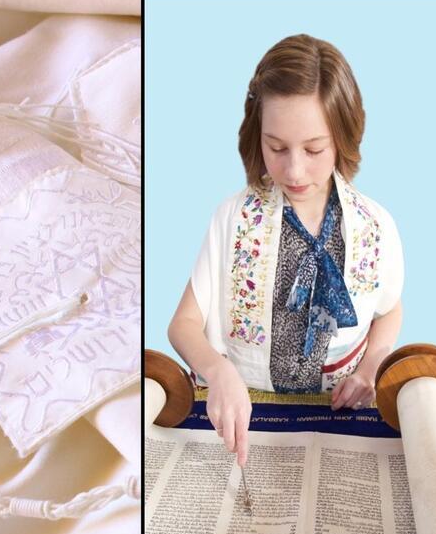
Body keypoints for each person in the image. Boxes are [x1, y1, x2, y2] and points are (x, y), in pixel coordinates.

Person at [167, 34, 404, 469]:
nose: (294, 170)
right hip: (249, 412)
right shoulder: (233, 218)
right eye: (276, 147)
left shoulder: (375, 225)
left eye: (314, 149)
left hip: (341, 417)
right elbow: (183, 324)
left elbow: (389, 309)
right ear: (256, 135)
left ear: (343, 138)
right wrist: (218, 373)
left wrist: (370, 369)